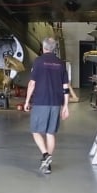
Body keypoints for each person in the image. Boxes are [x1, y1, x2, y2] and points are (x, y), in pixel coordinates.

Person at [24, 36, 69, 174]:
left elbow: (32, 83)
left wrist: (27, 101)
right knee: (50, 133)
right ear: (54, 48)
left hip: (41, 102)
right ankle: (47, 165)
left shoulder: (38, 61)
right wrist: (66, 106)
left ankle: (45, 155)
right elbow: (65, 86)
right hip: (56, 102)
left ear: (43, 48)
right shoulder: (61, 63)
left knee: (35, 131)